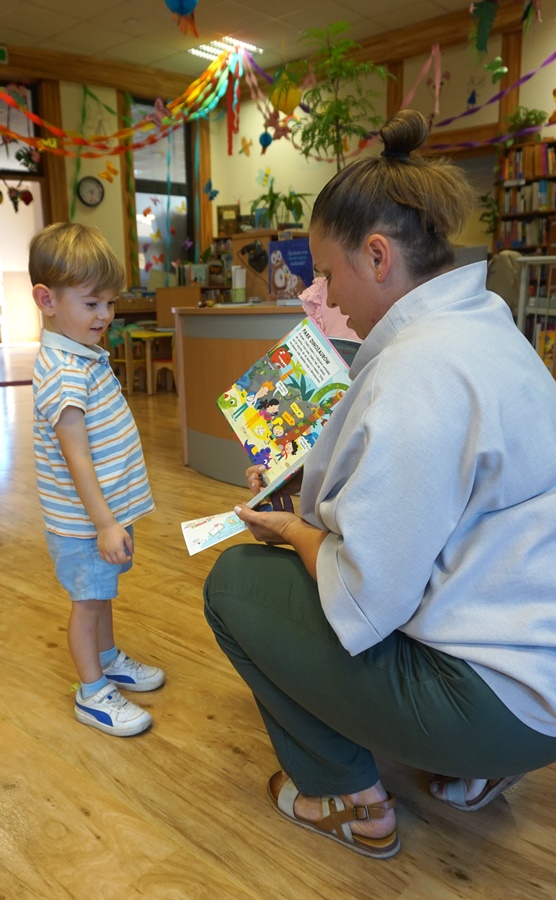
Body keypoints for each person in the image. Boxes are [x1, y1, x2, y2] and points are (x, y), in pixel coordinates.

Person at [203, 109, 556, 859]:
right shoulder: (488, 325)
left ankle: (354, 804)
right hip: (537, 669)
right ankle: (476, 771)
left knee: (235, 583)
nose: (326, 297)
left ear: (376, 255)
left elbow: (369, 596)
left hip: (503, 705)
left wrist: (296, 529)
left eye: (328, 275)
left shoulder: (415, 371)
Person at [30, 222, 165, 738]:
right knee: (87, 603)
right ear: (47, 299)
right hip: (85, 523)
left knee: (100, 593)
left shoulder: (79, 354)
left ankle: (107, 659)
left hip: (101, 519)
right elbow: (76, 458)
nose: (105, 315)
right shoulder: (63, 370)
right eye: (92, 304)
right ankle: (92, 691)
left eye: (109, 303)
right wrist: (105, 524)